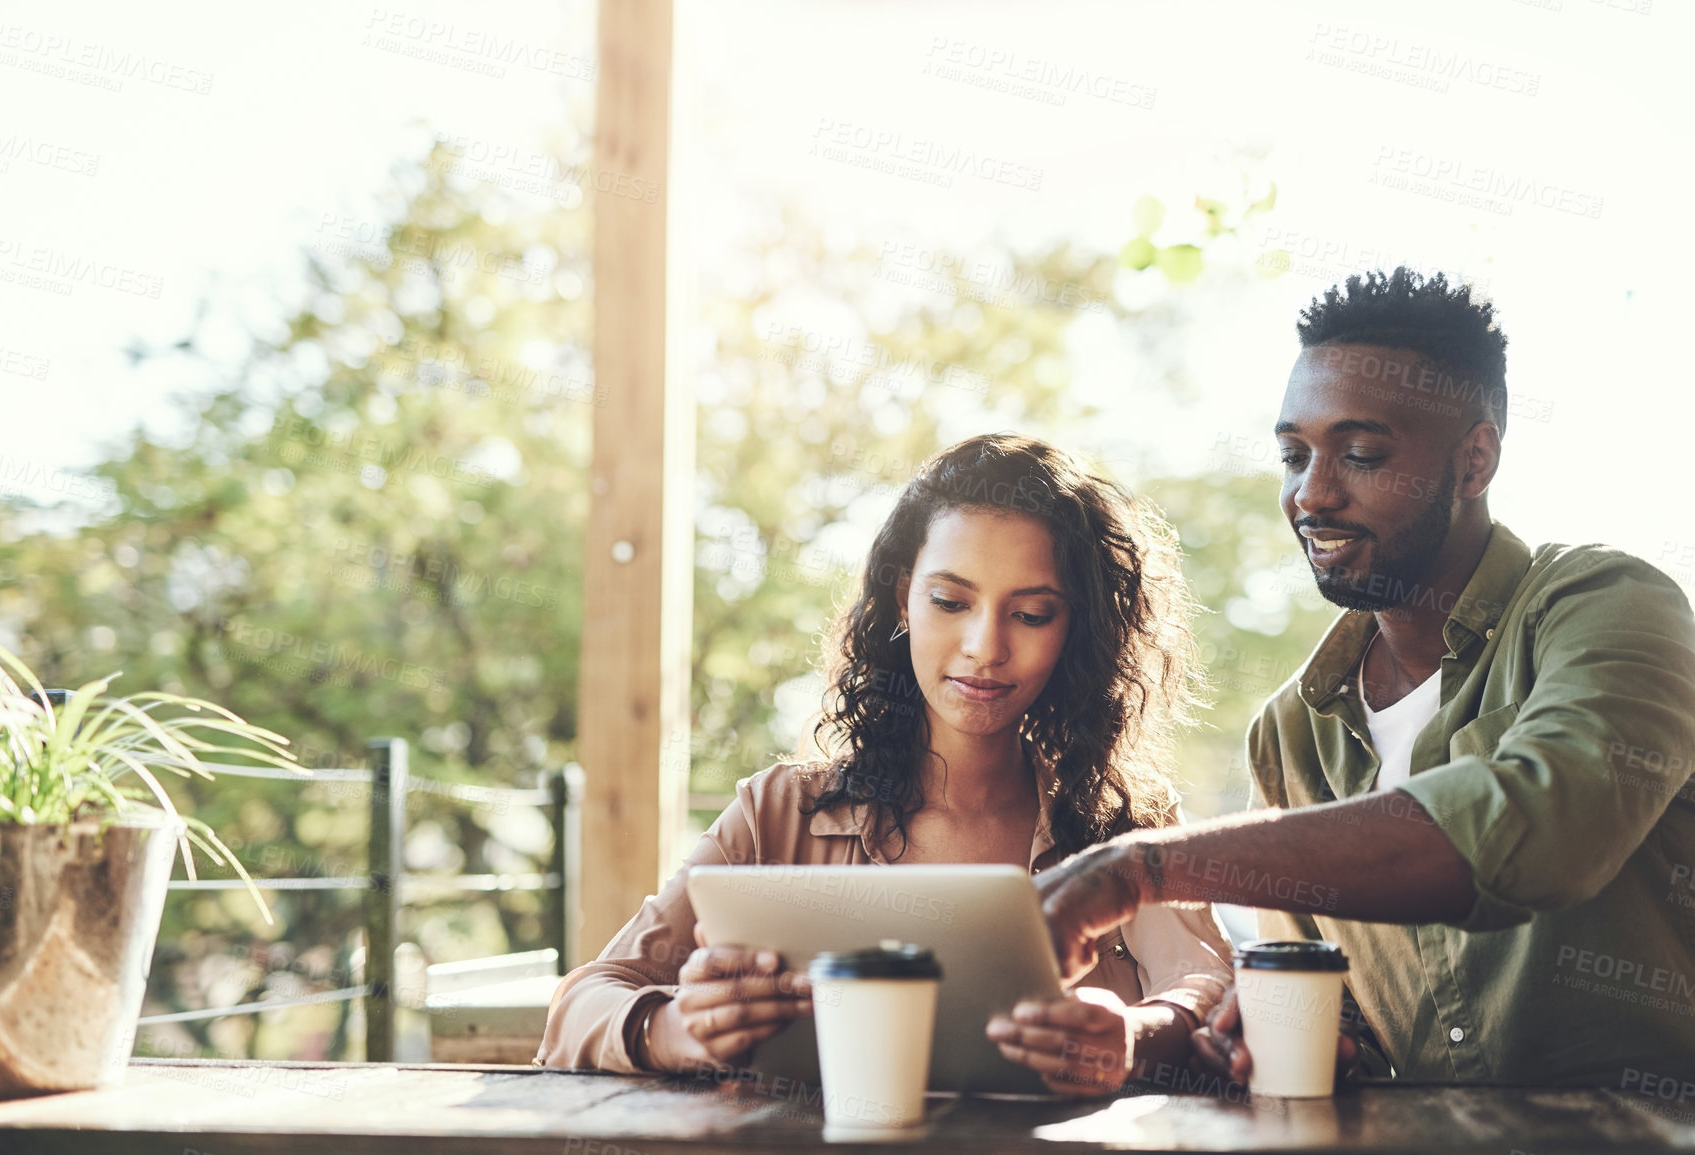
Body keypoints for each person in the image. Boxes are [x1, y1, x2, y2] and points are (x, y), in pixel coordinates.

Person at [1033, 268, 1695, 1086]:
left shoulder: (1607, 605)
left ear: (1474, 459)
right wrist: (1282, 1024)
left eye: (1360, 453)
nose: (1311, 493)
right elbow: (1341, 1000)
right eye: (1292, 455)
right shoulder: (1292, 730)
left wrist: (1138, 864)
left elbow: (1540, 826)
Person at [539, 434, 1233, 1095]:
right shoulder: (779, 813)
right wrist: (676, 1029)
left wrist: (1135, 1036)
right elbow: (580, 1003)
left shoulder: (1125, 821)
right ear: (903, 596)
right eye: (949, 601)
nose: (982, 647)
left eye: (1030, 613)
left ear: (1075, 629)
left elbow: (1211, 991)